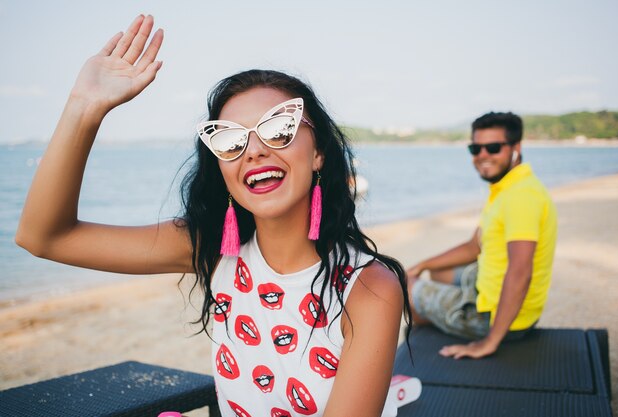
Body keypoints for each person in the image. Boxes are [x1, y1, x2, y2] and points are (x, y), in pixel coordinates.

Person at [15, 15, 412, 417]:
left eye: (279, 129)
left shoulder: (369, 289)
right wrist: (84, 109)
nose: (253, 150)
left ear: (318, 153)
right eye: (230, 140)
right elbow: (44, 237)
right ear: (221, 168)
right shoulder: (213, 249)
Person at [406, 111, 557, 360]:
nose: (483, 156)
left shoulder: (520, 197)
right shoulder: (507, 186)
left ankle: (444, 324)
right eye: (476, 148)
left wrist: (490, 341)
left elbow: (520, 271)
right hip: (487, 286)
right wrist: (421, 265)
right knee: (436, 272)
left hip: (497, 318)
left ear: (516, 147)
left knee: (402, 287)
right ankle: (440, 314)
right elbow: (475, 246)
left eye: (493, 147)